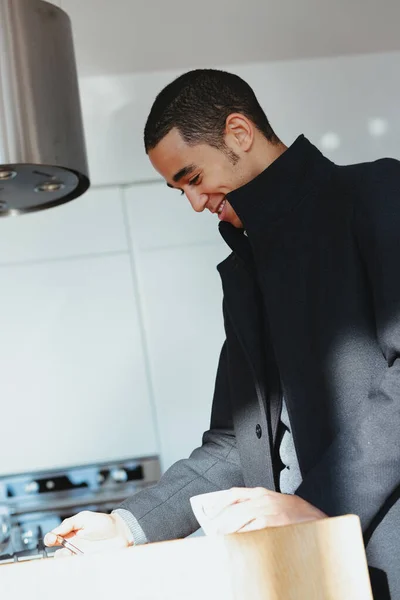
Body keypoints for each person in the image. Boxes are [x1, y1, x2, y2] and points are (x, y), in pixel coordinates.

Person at [45, 69, 400, 598]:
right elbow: (236, 442)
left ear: (239, 132)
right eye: (179, 189)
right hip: (300, 572)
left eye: (192, 177)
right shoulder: (246, 270)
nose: (194, 202)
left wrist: (321, 505)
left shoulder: (376, 192)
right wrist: (126, 525)